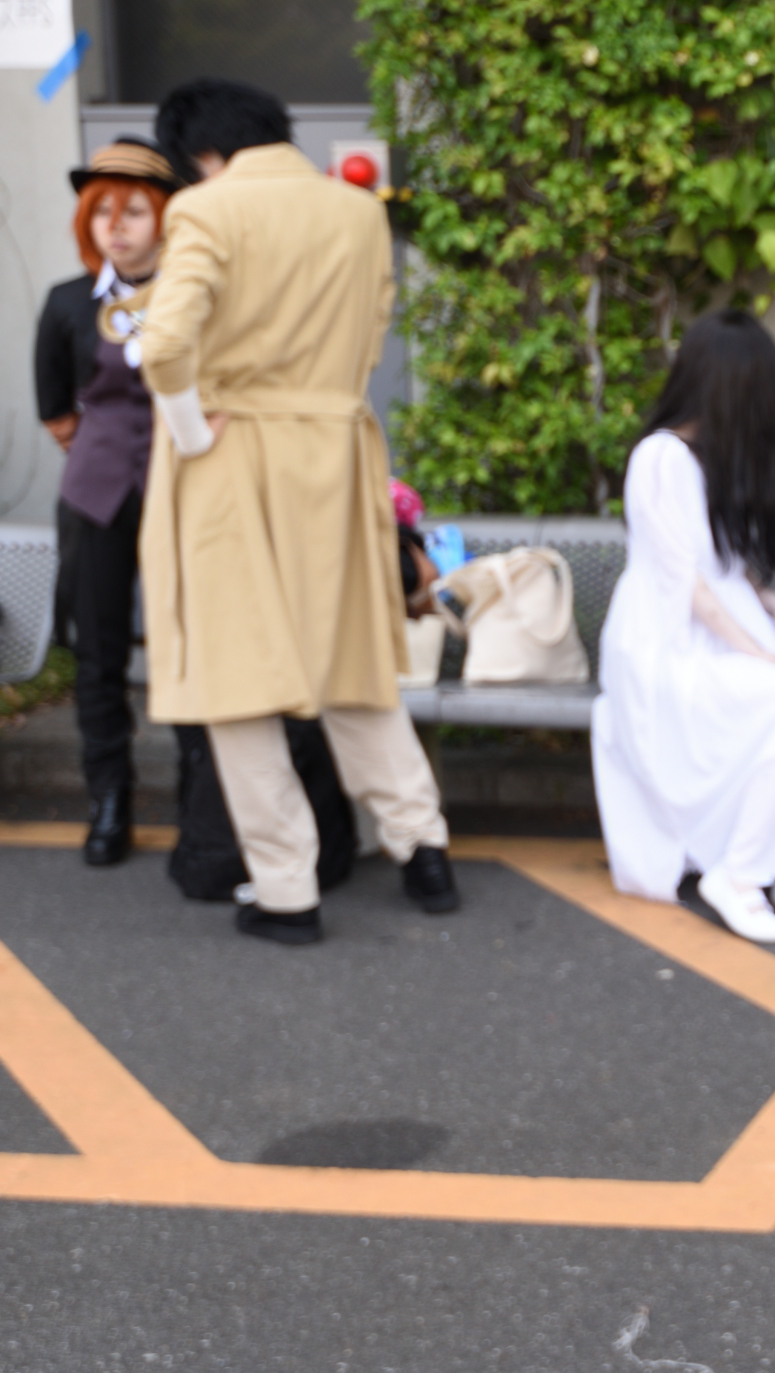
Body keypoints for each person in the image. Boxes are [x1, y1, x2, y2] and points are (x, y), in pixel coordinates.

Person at [137, 78, 461, 945]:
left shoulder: (206, 209)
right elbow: (375, 327)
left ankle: (288, 890)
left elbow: (164, 343)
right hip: (337, 452)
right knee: (353, 662)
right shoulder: (357, 213)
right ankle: (423, 847)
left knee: (238, 679)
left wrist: (190, 429)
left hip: (235, 456)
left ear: (201, 154)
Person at [591, 309, 775, 944]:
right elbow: (683, 583)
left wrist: (774, 608)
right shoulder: (660, 457)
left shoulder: (704, 459)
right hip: (669, 648)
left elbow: (722, 567)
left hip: (720, 633)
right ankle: (738, 875)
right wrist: (758, 653)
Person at [33, 139, 185, 865]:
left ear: (164, 218)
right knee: (98, 653)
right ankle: (110, 803)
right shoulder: (67, 301)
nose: (115, 227)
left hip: (182, 490)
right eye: (101, 213)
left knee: (189, 645)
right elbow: (55, 410)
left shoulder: (192, 294)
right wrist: (105, 451)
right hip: (95, 497)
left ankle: (204, 798)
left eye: (132, 212)